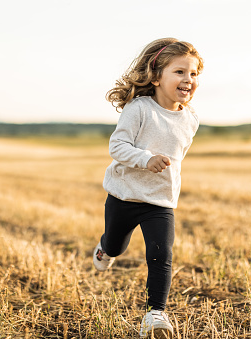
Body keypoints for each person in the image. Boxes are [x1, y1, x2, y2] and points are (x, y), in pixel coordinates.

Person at [92, 37, 204, 338]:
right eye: (179, 72)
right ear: (156, 77)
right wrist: (146, 159)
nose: (188, 80)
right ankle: (106, 249)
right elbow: (117, 145)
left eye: (193, 74)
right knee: (116, 245)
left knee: (161, 253)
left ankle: (156, 314)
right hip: (124, 195)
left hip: (160, 202)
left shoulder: (191, 119)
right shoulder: (139, 109)